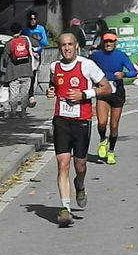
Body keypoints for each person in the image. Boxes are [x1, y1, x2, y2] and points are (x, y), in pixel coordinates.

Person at [46, 33, 111, 227]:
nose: (66, 48)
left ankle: (79, 184)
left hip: (81, 121)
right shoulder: (54, 67)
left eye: (70, 45)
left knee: (79, 166)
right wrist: (51, 91)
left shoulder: (86, 65)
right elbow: (54, 85)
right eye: (63, 45)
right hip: (61, 120)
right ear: (59, 48)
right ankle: (65, 207)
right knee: (63, 164)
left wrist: (85, 94)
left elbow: (106, 88)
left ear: (76, 47)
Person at [90, 32, 137, 164]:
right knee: (101, 122)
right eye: (106, 41)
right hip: (103, 92)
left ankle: (111, 152)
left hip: (118, 92)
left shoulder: (121, 56)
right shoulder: (96, 56)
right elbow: (86, 68)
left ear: (115, 42)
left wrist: (124, 74)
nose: (108, 44)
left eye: (111, 41)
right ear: (103, 42)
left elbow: (134, 71)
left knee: (114, 126)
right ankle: (103, 140)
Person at [2, 22, 36, 118]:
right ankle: (23, 113)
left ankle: (13, 112)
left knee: (14, 93)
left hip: (14, 73)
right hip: (27, 71)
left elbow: (5, 59)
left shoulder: (9, 44)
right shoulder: (25, 40)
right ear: (20, 30)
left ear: (10, 31)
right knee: (25, 94)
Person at [22, 10, 48, 108]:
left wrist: (38, 39)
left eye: (34, 19)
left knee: (33, 75)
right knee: (26, 75)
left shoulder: (40, 29)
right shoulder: (25, 29)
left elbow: (45, 43)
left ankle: (31, 95)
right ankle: (25, 94)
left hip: (36, 55)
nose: (33, 21)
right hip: (27, 55)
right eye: (31, 19)